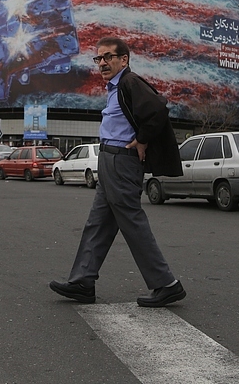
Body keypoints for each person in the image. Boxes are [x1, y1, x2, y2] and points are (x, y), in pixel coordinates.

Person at [49, 36, 185, 308]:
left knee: (132, 223)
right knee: (98, 223)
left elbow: (158, 110)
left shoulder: (129, 82)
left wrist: (143, 139)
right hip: (109, 160)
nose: (102, 63)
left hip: (122, 162)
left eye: (108, 57)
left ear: (124, 60)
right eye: (98, 58)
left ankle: (166, 284)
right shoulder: (115, 87)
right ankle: (83, 281)